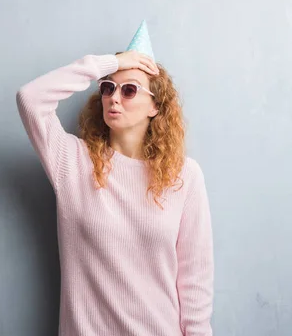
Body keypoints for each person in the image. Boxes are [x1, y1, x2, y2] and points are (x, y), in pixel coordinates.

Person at [15, 21, 214, 336]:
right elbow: (30, 99)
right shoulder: (72, 162)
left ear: (155, 106)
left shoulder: (185, 176)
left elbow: (195, 285)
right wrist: (112, 64)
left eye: (129, 89)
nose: (113, 97)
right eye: (107, 87)